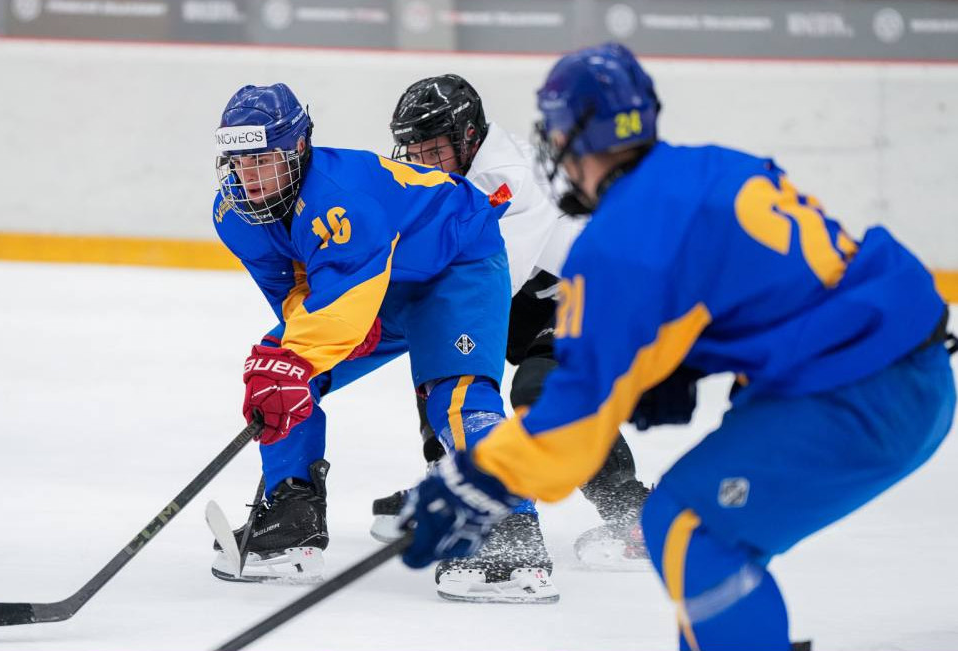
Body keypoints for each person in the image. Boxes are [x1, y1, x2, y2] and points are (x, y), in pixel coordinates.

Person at [399, 43, 956, 650]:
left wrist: (477, 479)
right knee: (691, 525)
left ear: (580, 136)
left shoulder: (621, 242)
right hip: (894, 368)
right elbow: (782, 291)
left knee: (688, 524)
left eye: (557, 134)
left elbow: (574, 420)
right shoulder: (714, 165)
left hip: (864, 393)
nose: (552, 150)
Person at [209, 82, 517, 587]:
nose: (250, 176)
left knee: (459, 399)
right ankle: (294, 521)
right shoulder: (235, 213)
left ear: (298, 149)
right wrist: (302, 356)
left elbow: (345, 292)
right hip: (376, 279)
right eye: (239, 162)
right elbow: (297, 290)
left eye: (263, 159)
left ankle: (511, 536)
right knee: (276, 370)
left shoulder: (341, 197)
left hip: (455, 264)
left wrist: (326, 341)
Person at [371, 74, 665, 601]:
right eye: (411, 151)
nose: (420, 161)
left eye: (433, 149)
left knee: (541, 393)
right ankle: (457, 482)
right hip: (541, 292)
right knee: (444, 362)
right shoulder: (457, 172)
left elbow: (482, 282)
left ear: (467, 136)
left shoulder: (503, 178)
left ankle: (634, 516)